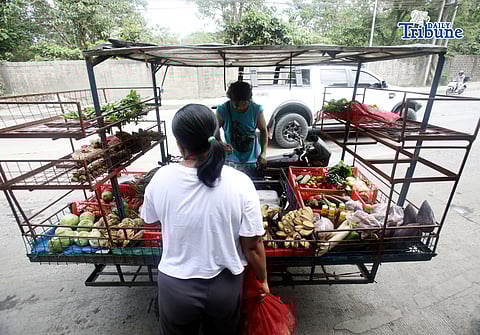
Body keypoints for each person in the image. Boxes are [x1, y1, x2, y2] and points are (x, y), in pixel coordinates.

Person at [141, 103, 269, 335]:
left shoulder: (161, 178)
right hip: (225, 288)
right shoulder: (240, 182)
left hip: (176, 287)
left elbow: (149, 220)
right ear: (215, 135)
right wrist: (263, 280)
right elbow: (253, 245)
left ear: (179, 143)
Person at [216, 81, 268, 177]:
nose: (240, 108)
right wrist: (221, 144)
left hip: (252, 158)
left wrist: (263, 153)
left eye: (244, 104)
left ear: (249, 99)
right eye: (236, 105)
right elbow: (214, 130)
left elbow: (264, 131)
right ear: (231, 100)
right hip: (231, 158)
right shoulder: (223, 110)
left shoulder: (256, 109)